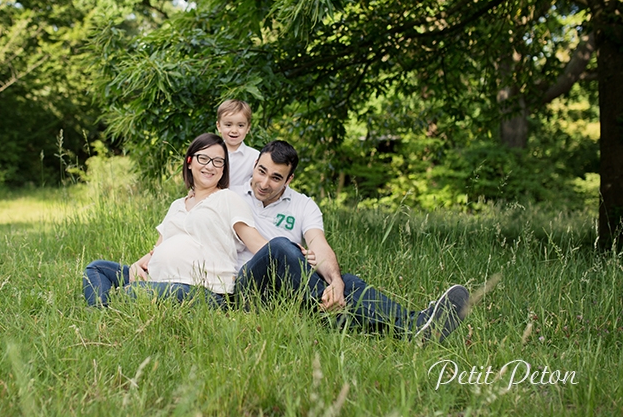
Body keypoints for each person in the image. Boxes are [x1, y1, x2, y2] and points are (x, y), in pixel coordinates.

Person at [232, 140, 470, 342]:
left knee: (348, 282)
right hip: (249, 288)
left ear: (289, 179)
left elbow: (319, 244)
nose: (265, 183)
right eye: (261, 171)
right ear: (254, 165)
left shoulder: (303, 205)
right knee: (281, 247)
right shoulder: (231, 196)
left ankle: (417, 328)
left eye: (276, 178)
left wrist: (335, 282)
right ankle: (339, 316)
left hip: (291, 291)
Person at [82, 133, 303, 308]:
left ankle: (120, 301)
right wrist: (138, 265)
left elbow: (256, 243)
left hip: (205, 290)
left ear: (224, 169)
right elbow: (158, 248)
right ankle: (103, 310)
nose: (210, 166)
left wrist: (290, 253)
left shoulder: (228, 198)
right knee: (97, 268)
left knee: (133, 292)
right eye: (203, 158)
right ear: (190, 162)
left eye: (218, 162)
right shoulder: (177, 205)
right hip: (159, 280)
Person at [216, 99, 260, 187]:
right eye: (228, 125)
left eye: (240, 125)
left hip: (241, 199)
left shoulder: (255, 157)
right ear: (219, 126)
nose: (234, 131)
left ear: (248, 128)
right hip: (214, 198)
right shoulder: (212, 152)